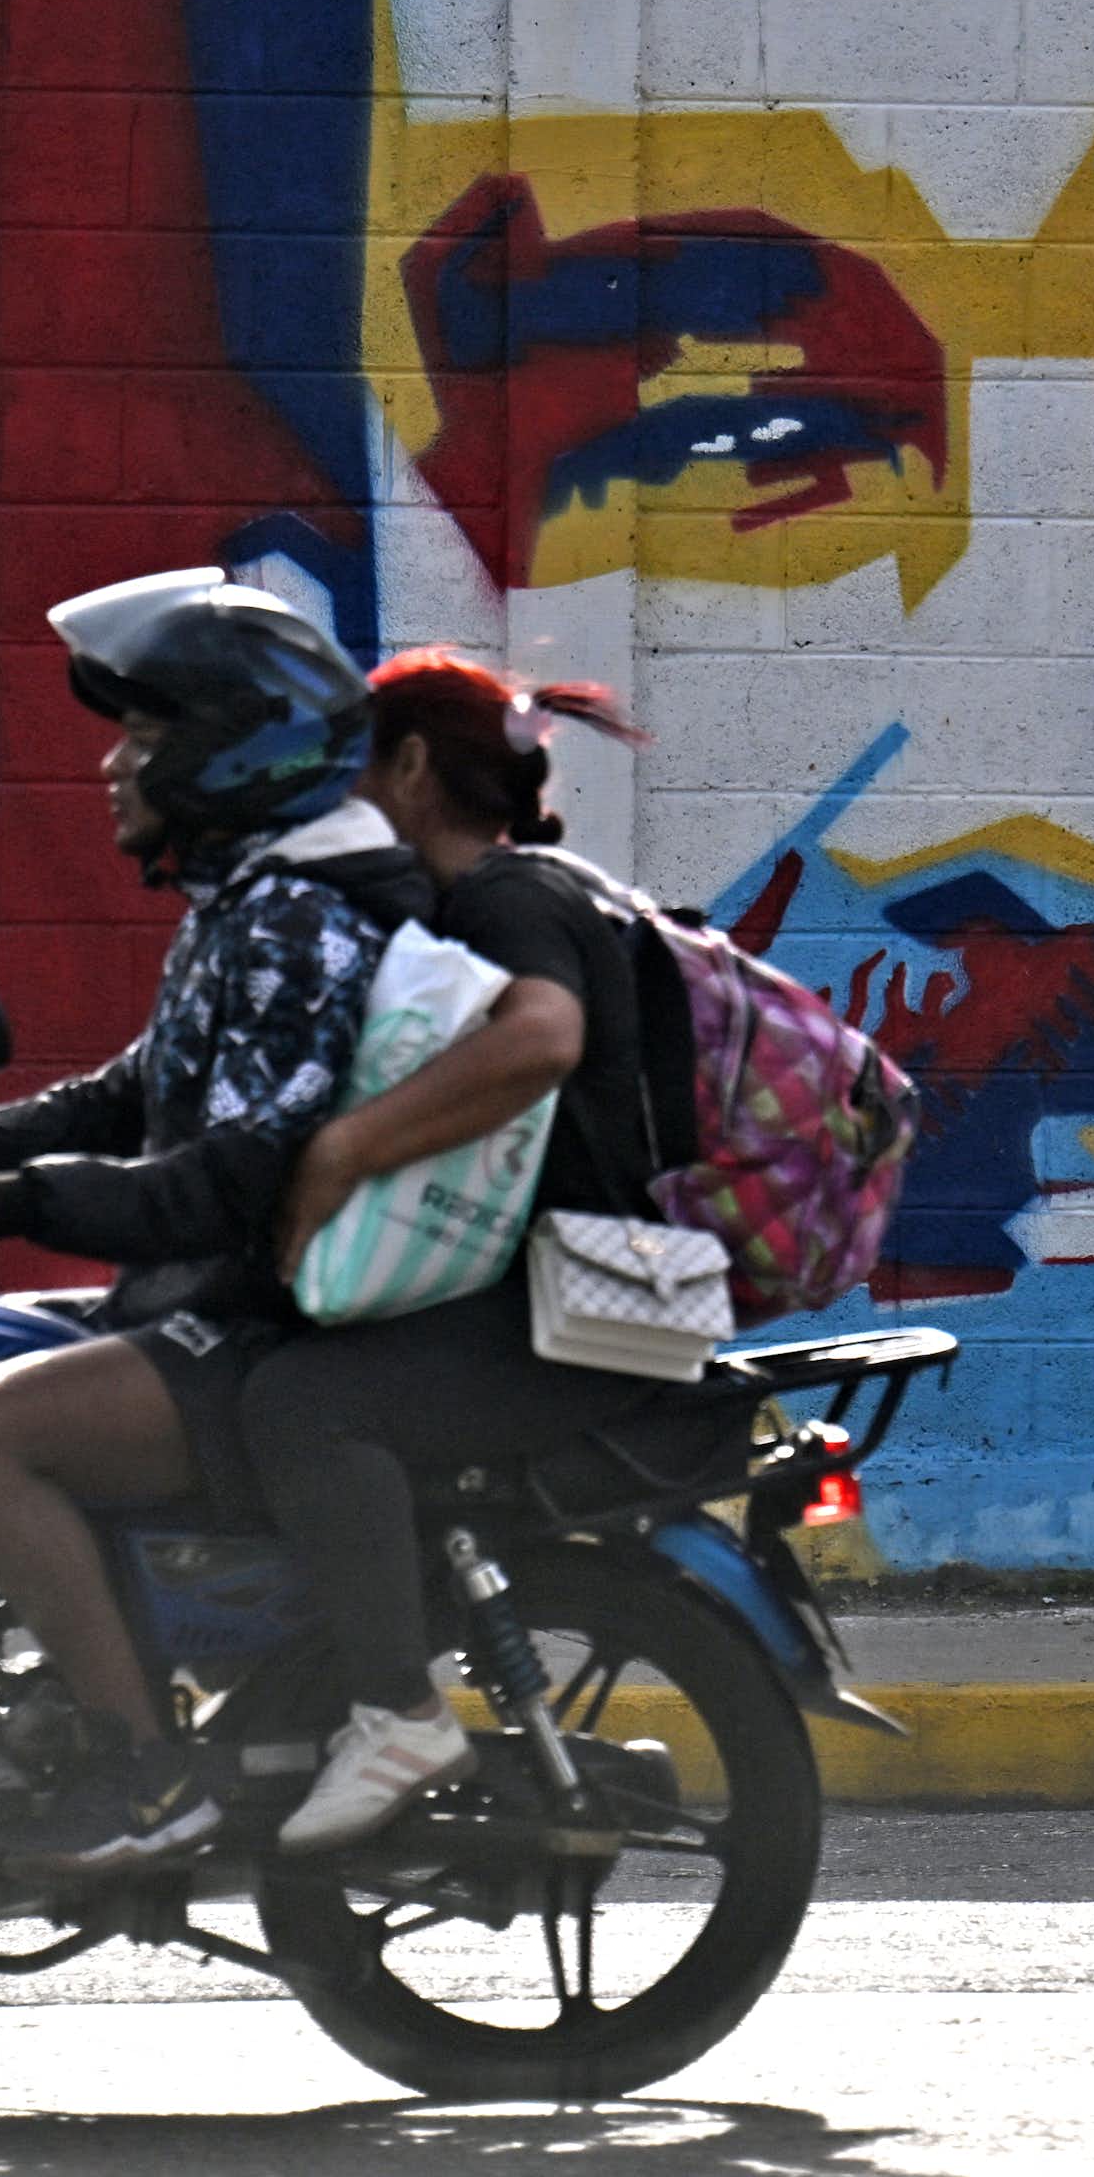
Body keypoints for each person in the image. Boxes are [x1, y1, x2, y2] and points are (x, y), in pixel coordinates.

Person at [0, 567, 429, 1872]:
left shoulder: (307, 913)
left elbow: (235, 1174)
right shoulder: (253, 895)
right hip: (218, 1297)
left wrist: (5, 1199)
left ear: (233, 751)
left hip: (270, 1319)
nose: (113, 764)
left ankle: (146, 1774)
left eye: (146, 737)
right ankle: (47, 1681)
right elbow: (140, 1091)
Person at [246, 648, 663, 1854]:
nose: (348, 802)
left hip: (586, 1308)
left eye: (361, 771)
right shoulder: (563, 886)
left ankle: (396, 1712)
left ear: (414, 766)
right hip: (605, 1291)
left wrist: (343, 1155)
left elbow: (540, 1039)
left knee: (302, 1408)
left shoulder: (501, 898)